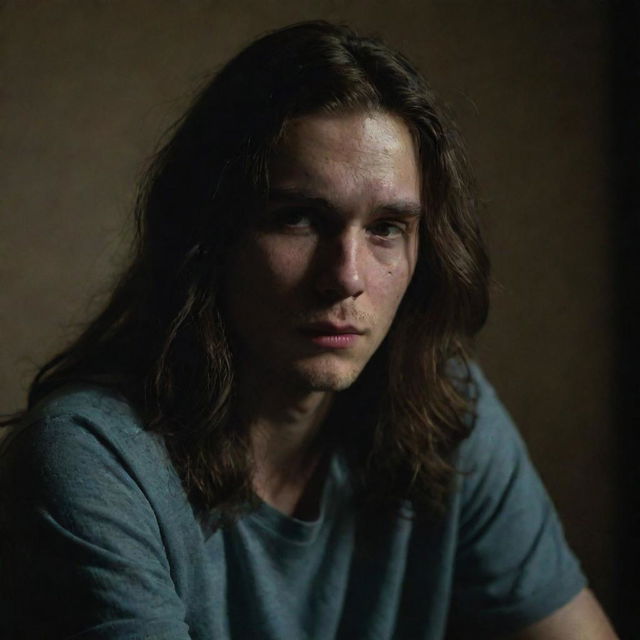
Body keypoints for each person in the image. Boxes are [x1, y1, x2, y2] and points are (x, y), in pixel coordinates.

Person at [0, 20, 617, 640]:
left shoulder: (446, 412)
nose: (345, 277)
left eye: (385, 228)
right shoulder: (93, 458)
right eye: (297, 218)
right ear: (209, 237)